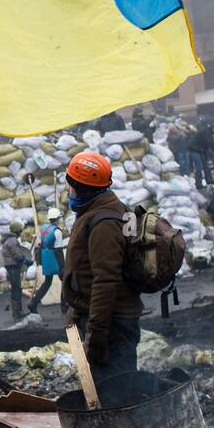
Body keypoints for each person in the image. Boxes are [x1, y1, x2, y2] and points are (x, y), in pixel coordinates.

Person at [61, 151, 143, 383]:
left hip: (112, 324)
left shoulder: (104, 222)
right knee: (113, 387)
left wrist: (96, 335)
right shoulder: (101, 209)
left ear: (82, 188)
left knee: (116, 391)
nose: (69, 191)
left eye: (71, 187)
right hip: (108, 320)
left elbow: (106, 281)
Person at [28, 207, 66, 316]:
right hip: (54, 257)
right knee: (65, 281)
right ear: (57, 218)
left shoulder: (43, 228)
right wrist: (62, 266)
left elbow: (40, 243)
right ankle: (64, 306)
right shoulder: (57, 231)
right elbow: (58, 250)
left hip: (45, 256)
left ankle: (33, 302)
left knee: (47, 282)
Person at [0, 220, 32, 319]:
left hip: (10, 267)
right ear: (17, 230)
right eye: (20, 230)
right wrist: (27, 261)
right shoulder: (13, 241)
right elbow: (17, 256)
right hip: (13, 267)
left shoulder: (9, 240)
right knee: (17, 289)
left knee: (15, 288)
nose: (21, 232)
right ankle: (18, 312)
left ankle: (16, 311)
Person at [186, 114, 214, 189]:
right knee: (199, 166)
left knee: (206, 165)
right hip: (193, 149)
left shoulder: (207, 132)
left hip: (200, 150)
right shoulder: (205, 132)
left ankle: (209, 180)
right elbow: (210, 144)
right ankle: (198, 183)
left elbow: (206, 145)